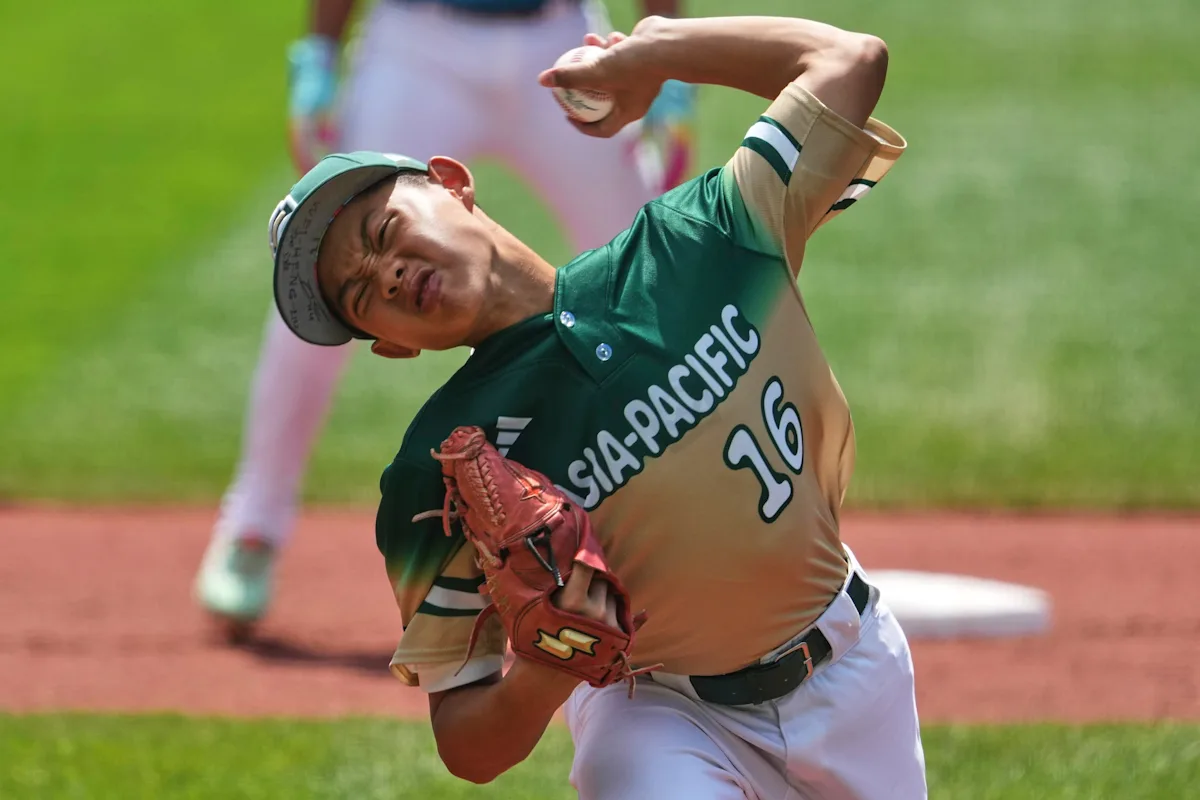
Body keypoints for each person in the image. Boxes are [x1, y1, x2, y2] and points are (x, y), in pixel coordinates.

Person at [265, 13, 922, 798]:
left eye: (383, 230)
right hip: (660, 717)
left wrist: (659, 54)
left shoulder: (698, 240)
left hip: (859, 671)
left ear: (451, 183)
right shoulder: (440, 466)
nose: (389, 274)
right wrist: (546, 670)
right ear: (391, 344)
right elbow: (469, 745)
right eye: (362, 294)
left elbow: (849, 60)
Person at [194, 0, 693, 635]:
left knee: (654, 276)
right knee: (327, 284)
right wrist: (319, 51)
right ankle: (253, 527)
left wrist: (669, 58)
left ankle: (696, 509)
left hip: (563, 41)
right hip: (416, 50)